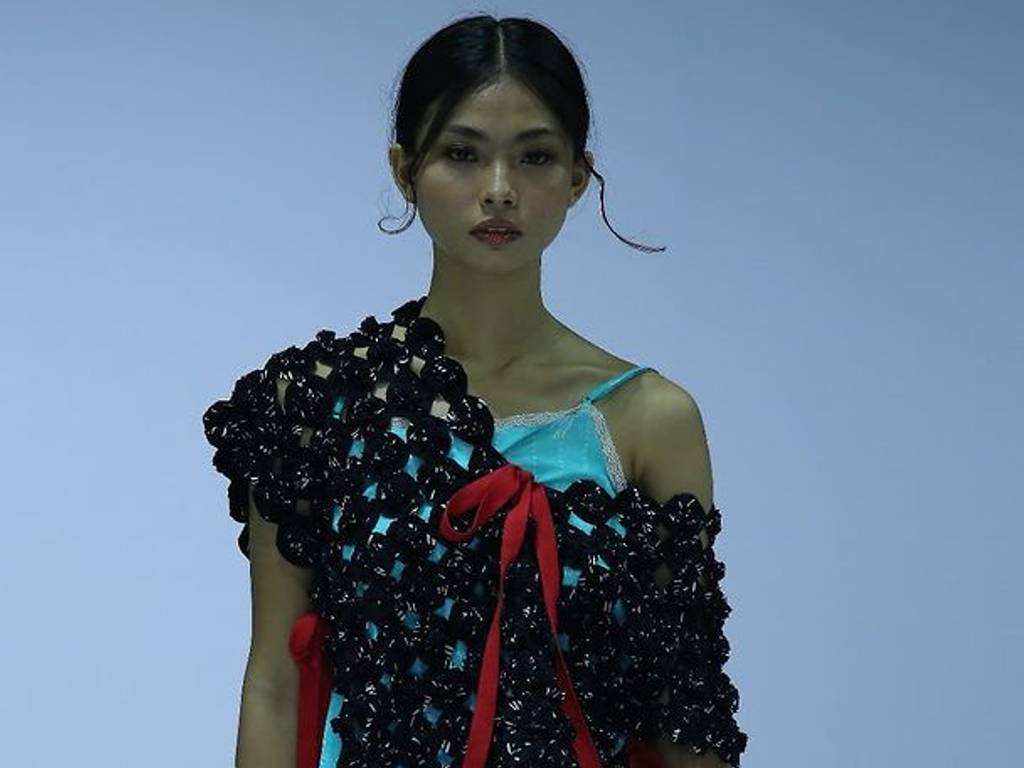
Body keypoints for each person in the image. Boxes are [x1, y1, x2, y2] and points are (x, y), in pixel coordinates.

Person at [203, 14, 747, 768]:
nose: (499, 190)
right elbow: (274, 683)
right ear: (405, 169)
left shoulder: (651, 420)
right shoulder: (314, 404)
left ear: (578, 177)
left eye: (535, 156)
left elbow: (686, 711)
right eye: (462, 154)